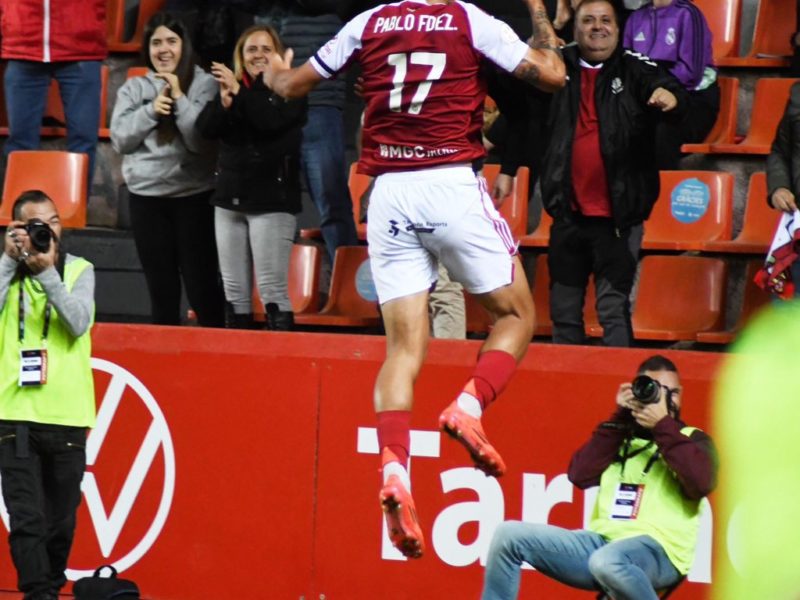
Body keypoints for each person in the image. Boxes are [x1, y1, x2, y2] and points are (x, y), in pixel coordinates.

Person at [263, 0, 565, 559]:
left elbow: (291, 86)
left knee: (402, 348)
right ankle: (469, 407)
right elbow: (551, 76)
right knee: (518, 315)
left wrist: (272, 71)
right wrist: (542, 19)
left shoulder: (368, 23)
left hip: (389, 193)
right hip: (449, 182)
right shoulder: (467, 18)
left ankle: (396, 468)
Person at [482, 355, 717, 600]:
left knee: (607, 562)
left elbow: (702, 482)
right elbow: (579, 475)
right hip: (600, 545)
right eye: (648, 389)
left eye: (665, 391)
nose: (655, 397)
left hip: (660, 552)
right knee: (507, 536)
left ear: (678, 396)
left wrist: (662, 425)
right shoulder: (620, 437)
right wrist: (619, 417)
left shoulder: (692, 439)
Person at [541, 0, 686, 347]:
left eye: (606, 20)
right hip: (567, 216)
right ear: (575, 28)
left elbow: (672, 90)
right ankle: (567, 389)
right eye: (588, 20)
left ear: (618, 30)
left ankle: (617, 393)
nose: (597, 27)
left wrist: (669, 97)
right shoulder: (556, 65)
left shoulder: (635, 67)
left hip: (618, 219)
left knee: (612, 309)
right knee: (562, 312)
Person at [0, 191, 96, 600]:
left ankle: (49, 589)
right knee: (26, 518)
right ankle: (40, 595)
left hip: (68, 415)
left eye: (53, 222)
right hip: (13, 410)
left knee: (60, 523)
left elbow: (77, 324)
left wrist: (47, 274)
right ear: (16, 228)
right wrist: (8, 262)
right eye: (34, 225)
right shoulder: (4, 269)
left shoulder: (79, 269)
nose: (46, 231)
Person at [110, 12, 225, 328]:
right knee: (161, 289)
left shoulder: (204, 84)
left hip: (194, 198)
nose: (163, 49)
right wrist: (150, 111)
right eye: (156, 42)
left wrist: (178, 96)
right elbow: (120, 140)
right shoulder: (134, 89)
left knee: (202, 288)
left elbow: (200, 142)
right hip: (146, 199)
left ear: (184, 46)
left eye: (171, 42)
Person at [197, 25, 306, 330]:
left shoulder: (291, 89)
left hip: (271, 204)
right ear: (240, 57)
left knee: (272, 291)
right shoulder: (231, 90)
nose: (258, 55)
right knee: (234, 294)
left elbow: (268, 123)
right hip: (228, 204)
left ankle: (281, 363)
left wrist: (239, 94)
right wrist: (225, 105)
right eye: (251, 50)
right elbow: (205, 129)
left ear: (279, 55)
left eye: (265, 49)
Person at [256, 0, 360, 264]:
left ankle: (348, 284)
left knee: (331, 201)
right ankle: (273, 288)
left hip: (319, 105)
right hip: (270, 106)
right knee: (263, 203)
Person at [1, 0, 107, 186]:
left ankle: (76, 212)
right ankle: (21, 211)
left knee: (83, 143)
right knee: (20, 144)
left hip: (82, 44)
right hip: (23, 42)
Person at [623, 0, 720, 170]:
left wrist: (655, 86)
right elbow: (626, 65)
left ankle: (662, 192)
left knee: (662, 131)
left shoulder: (688, 13)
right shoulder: (635, 18)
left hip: (693, 99)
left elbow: (691, 73)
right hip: (649, 98)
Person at [765, 81, 800, 297]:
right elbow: (780, 150)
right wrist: (779, 187)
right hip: (797, 226)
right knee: (788, 309)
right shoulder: (798, 95)